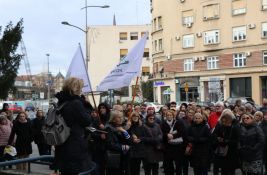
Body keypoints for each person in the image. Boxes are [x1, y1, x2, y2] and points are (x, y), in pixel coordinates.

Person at [54, 77, 92, 175]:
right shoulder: (76, 103)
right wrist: (87, 105)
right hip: (73, 145)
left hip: (62, 142)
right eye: (80, 88)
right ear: (76, 88)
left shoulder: (62, 101)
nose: (81, 90)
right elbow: (87, 121)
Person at [211, 109, 240, 175]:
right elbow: (214, 134)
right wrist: (218, 139)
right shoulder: (220, 124)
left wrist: (225, 140)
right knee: (223, 170)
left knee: (230, 170)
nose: (224, 122)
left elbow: (237, 140)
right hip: (222, 151)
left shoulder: (235, 126)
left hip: (231, 152)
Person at [161, 110, 187, 175]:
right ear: (165, 116)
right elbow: (161, 133)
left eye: (170, 115)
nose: (169, 116)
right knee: (168, 165)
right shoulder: (163, 124)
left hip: (178, 147)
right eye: (167, 115)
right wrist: (167, 135)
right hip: (167, 147)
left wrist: (173, 136)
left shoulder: (178, 123)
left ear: (173, 116)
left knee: (178, 165)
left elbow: (182, 132)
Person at [105, 110, 131, 175]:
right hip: (114, 156)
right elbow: (110, 144)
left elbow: (129, 141)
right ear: (113, 119)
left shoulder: (121, 127)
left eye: (121, 117)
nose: (121, 119)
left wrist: (124, 132)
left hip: (123, 157)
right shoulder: (109, 128)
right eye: (118, 117)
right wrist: (122, 147)